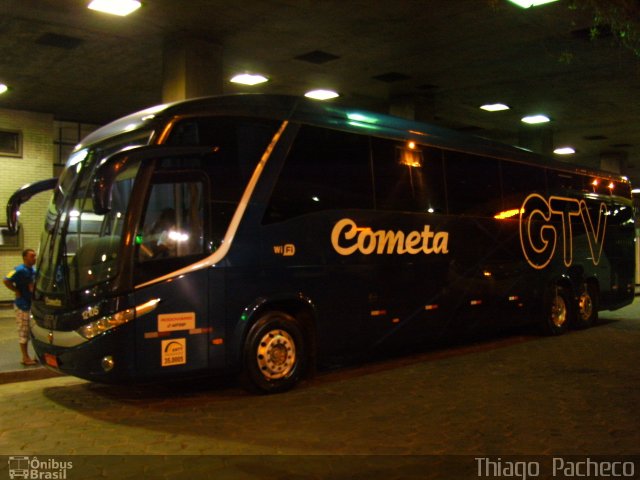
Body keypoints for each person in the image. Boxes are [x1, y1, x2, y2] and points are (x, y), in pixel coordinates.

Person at [3, 248, 37, 365]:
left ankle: (36, 355)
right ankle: (25, 357)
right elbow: (6, 280)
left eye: (35, 256)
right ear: (25, 258)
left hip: (32, 304)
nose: (35, 258)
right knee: (24, 331)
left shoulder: (33, 270)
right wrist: (16, 290)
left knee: (34, 331)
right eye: (32, 256)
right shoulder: (19, 270)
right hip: (22, 305)